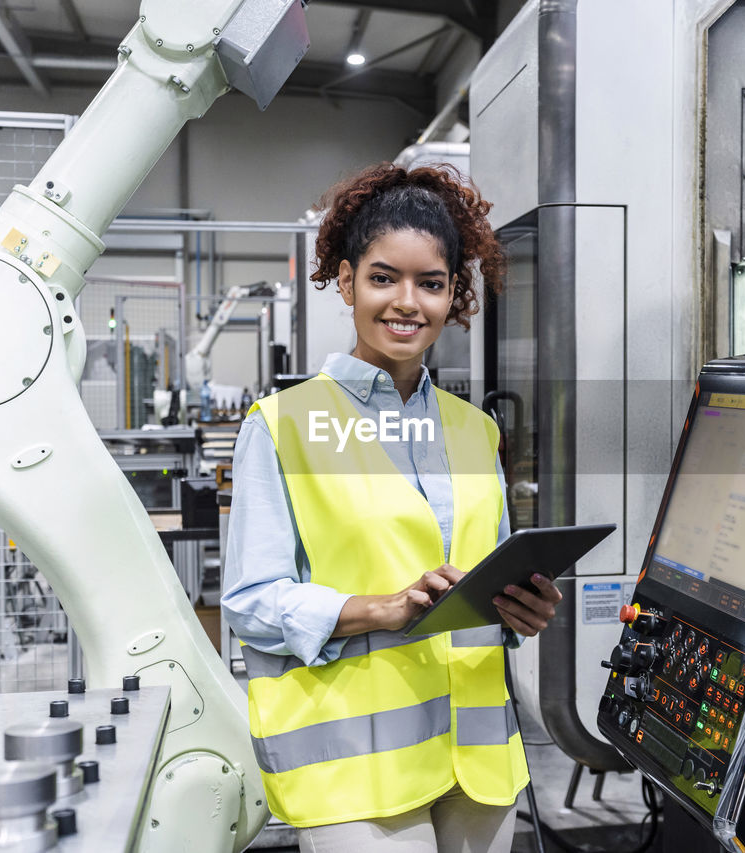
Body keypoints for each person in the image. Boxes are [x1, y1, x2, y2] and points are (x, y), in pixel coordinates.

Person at [222, 163, 563, 853]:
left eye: (431, 283)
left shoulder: (475, 430)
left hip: (478, 758)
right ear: (346, 282)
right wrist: (379, 608)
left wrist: (522, 609)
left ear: (452, 295)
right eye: (384, 277)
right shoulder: (282, 425)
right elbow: (251, 602)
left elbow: (486, 577)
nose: (407, 302)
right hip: (352, 767)